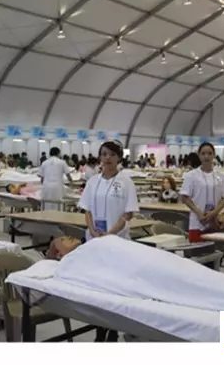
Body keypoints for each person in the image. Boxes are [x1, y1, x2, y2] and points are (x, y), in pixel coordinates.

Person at [77, 140, 138, 343]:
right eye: (104, 154)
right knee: (97, 288)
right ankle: (99, 330)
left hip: (117, 241)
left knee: (114, 289)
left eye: (112, 154)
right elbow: (87, 210)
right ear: (99, 157)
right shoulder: (93, 181)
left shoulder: (126, 182)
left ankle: (113, 330)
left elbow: (128, 214)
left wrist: (110, 233)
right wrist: (92, 230)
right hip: (95, 241)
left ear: (119, 157)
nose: (108, 158)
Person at [180, 142, 224, 244]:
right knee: (196, 249)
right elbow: (184, 197)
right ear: (199, 155)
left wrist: (214, 213)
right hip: (197, 221)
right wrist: (198, 213)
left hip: (215, 222)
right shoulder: (191, 175)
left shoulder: (221, 176)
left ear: (214, 155)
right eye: (203, 153)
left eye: (209, 153)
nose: (206, 156)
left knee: (214, 251)